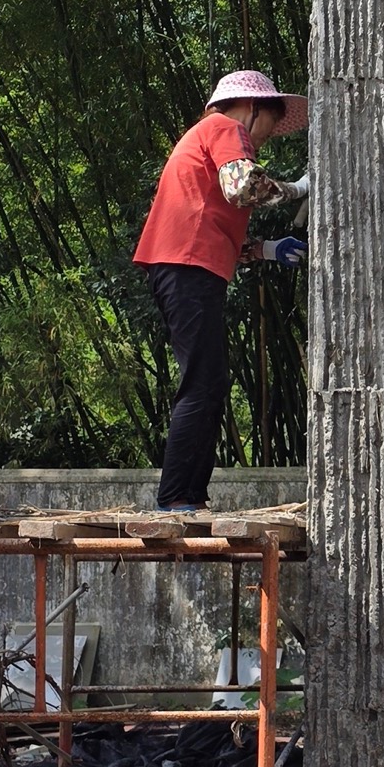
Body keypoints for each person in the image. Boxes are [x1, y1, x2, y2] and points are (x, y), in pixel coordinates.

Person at [132, 70, 311, 512]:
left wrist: (267, 249)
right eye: (270, 124)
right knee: (202, 382)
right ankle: (176, 496)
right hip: (187, 266)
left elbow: (213, 219)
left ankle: (188, 495)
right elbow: (243, 187)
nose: (265, 139)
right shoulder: (227, 128)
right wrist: (300, 188)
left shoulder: (204, 136)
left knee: (210, 382)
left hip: (186, 264)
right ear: (252, 108)